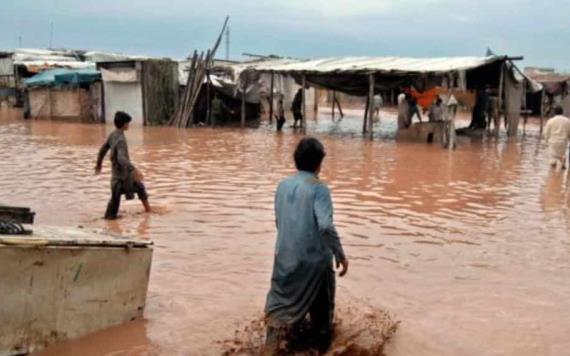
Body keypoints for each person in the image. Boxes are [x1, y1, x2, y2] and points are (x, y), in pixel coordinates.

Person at [265, 137, 348, 354]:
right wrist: (340, 254)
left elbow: (278, 222)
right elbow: (326, 227)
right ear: (319, 163)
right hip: (314, 265)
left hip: (284, 260)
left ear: (296, 161)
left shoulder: (282, 186)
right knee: (322, 322)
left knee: (277, 314)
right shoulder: (319, 187)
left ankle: (270, 349)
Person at [95, 111, 151, 219]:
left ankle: (148, 211)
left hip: (115, 179)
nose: (128, 125)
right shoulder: (121, 139)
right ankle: (148, 211)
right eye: (128, 123)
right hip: (123, 178)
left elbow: (103, 150)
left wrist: (99, 164)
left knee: (114, 206)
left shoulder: (113, 135)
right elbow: (121, 158)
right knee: (140, 187)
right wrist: (134, 170)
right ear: (125, 124)